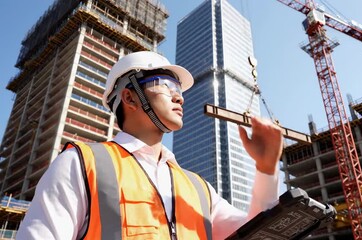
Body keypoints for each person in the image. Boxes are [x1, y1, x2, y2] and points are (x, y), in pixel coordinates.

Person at [16, 51, 283, 240]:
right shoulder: (81, 164)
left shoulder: (198, 188)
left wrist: (267, 168)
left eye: (179, 88)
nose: (179, 97)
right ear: (130, 97)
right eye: (167, 85)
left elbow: (257, 232)